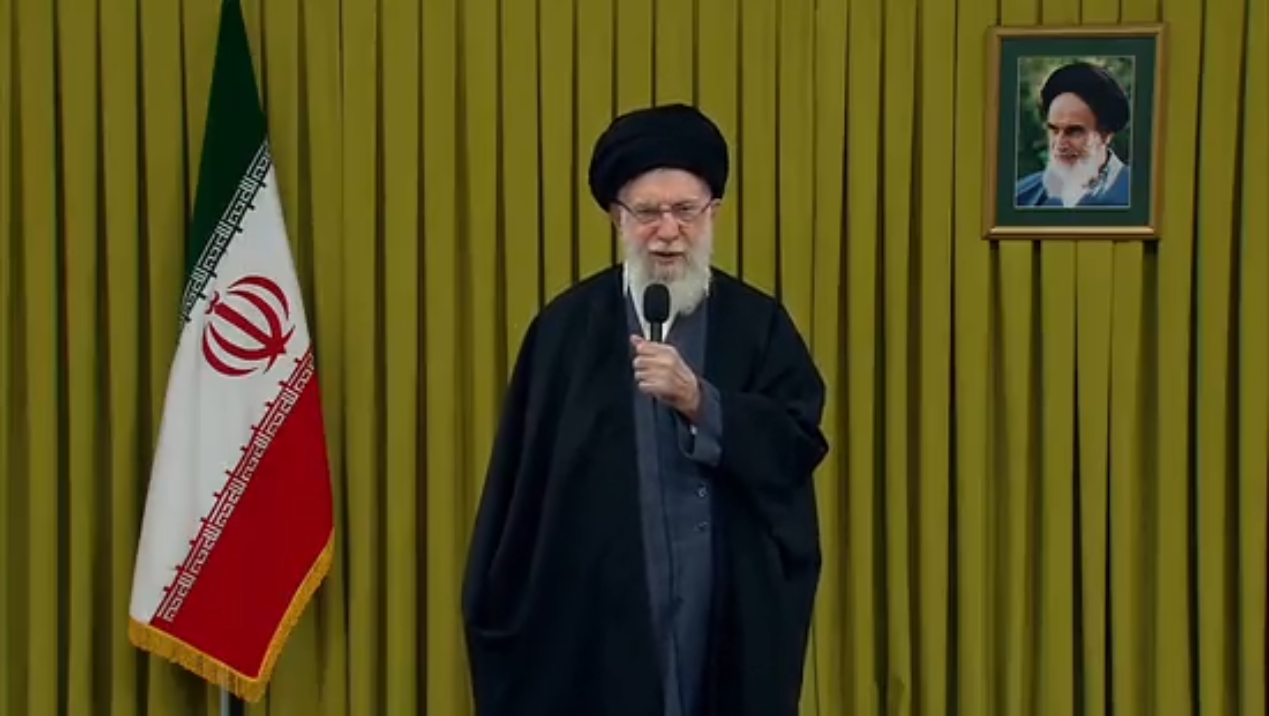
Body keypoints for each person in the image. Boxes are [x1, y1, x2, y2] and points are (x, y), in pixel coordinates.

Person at [460, 103, 830, 716]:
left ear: (713, 212)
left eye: (685, 210)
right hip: (600, 627)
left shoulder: (757, 324)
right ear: (617, 217)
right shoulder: (565, 331)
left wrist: (701, 401)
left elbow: (796, 445)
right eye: (648, 212)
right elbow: (524, 492)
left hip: (723, 616)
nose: (667, 231)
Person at [1015, 61, 1133, 208]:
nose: (1059, 144)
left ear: (1106, 134)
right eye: (1054, 130)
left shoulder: (1144, 197)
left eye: (1074, 131)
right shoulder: (1021, 196)